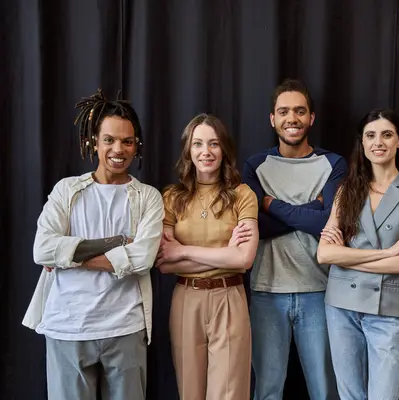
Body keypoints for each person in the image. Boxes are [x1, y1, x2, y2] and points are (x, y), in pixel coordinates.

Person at [22, 89, 164, 400]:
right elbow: (42, 250)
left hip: (125, 327)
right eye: (109, 140)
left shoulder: (148, 197)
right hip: (67, 327)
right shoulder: (67, 190)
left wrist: (70, 256)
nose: (119, 149)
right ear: (93, 143)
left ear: (136, 145)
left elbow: (142, 259)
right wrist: (116, 243)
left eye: (127, 141)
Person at [242, 79, 346, 399]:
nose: (292, 118)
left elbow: (330, 222)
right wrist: (312, 211)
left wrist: (271, 204)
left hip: (320, 290)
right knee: (268, 389)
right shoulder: (256, 165)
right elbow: (257, 226)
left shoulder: (333, 163)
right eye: (284, 111)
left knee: (324, 389)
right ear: (272, 119)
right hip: (266, 291)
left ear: (311, 118)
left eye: (300, 111)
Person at [317, 109, 399, 399]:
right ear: (363, 143)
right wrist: (389, 251)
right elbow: (325, 255)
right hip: (341, 306)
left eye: (386, 134)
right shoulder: (347, 189)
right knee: (349, 395)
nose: (378, 142)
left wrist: (348, 255)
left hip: (388, 310)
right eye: (370, 135)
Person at [156, 113, 259, 400]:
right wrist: (225, 252)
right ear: (188, 150)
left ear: (224, 149)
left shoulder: (242, 195)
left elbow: (243, 260)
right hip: (186, 299)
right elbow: (164, 262)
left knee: (229, 392)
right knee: (190, 391)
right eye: (198, 144)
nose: (206, 151)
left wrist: (183, 250)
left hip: (229, 297)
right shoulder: (172, 197)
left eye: (214, 144)